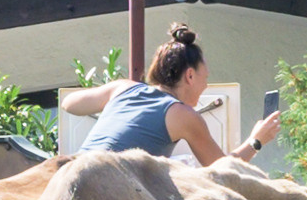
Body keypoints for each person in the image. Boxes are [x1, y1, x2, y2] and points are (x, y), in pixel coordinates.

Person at [60, 23, 281, 165]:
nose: (205, 86)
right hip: (113, 183)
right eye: (205, 78)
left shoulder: (123, 88)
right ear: (190, 76)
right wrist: (256, 141)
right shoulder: (182, 114)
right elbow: (220, 170)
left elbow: (69, 104)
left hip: (74, 168)